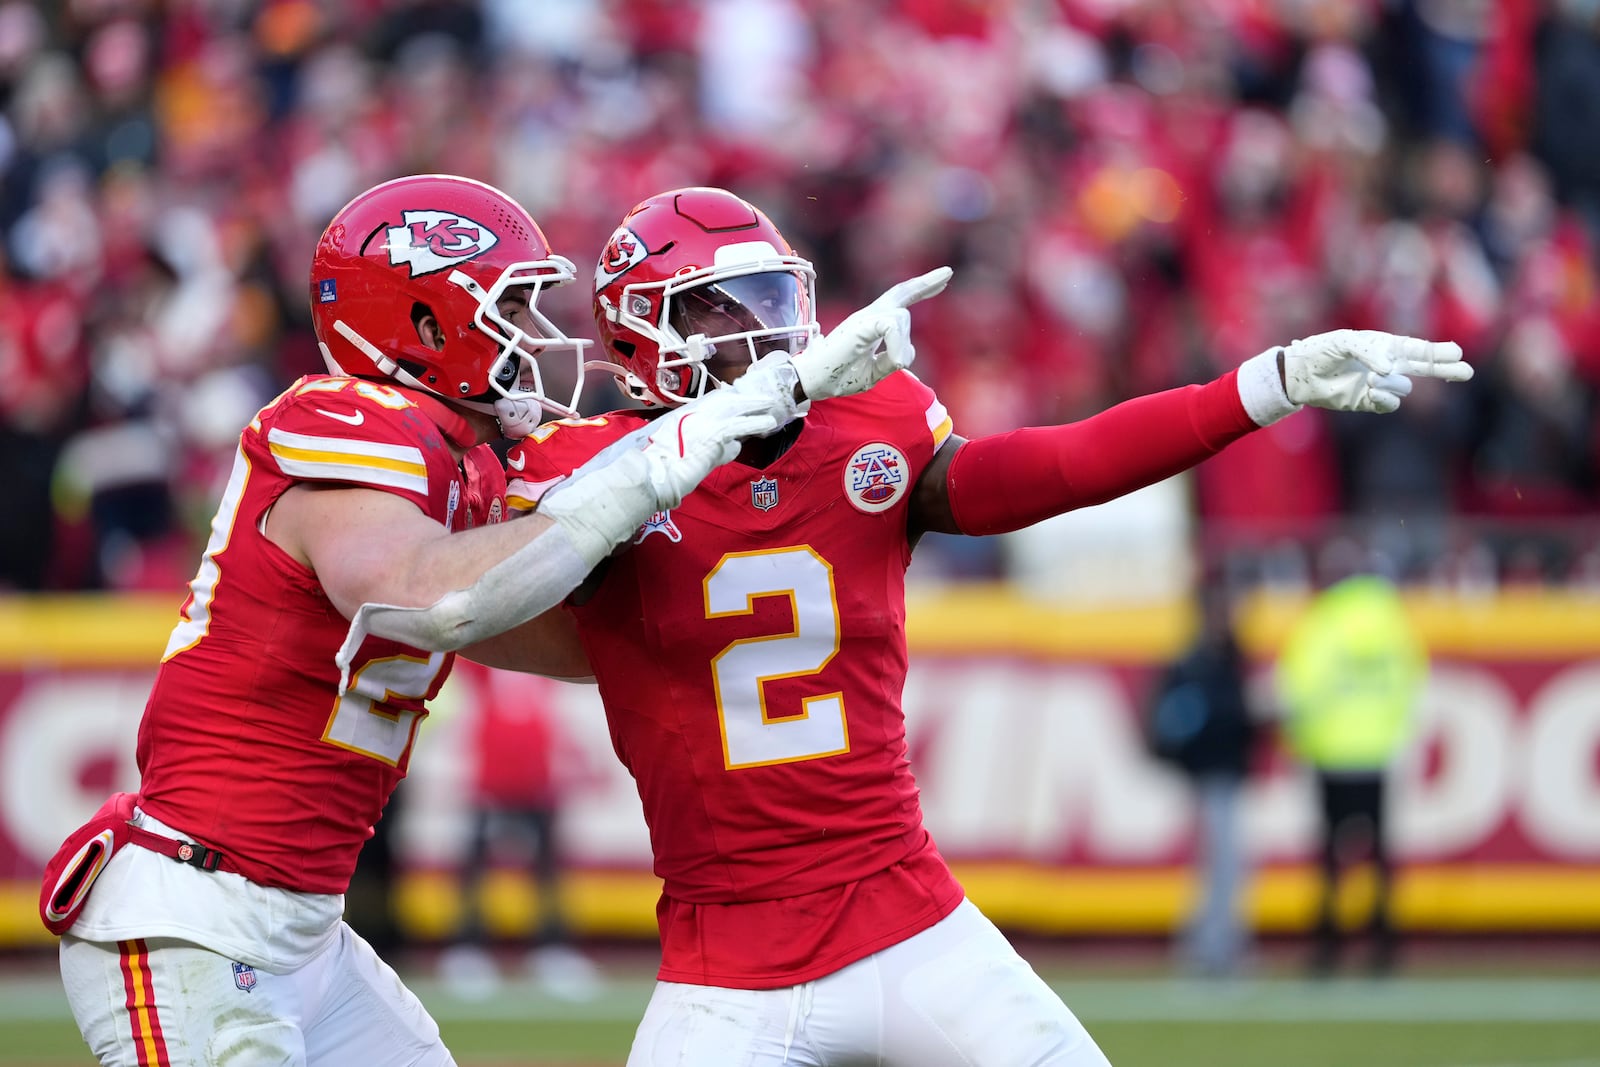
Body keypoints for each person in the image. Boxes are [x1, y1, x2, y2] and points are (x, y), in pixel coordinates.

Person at [490, 186, 1474, 1067]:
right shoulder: (590, 469)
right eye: (721, 306)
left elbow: (1057, 464)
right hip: (724, 963)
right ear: (636, 332)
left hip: (908, 917)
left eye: (771, 297)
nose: (766, 329)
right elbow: (466, 585)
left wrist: (1269, 380)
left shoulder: (867, 420)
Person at [36, 173, 924, 1067]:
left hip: (302, 926)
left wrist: (787, 493)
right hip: (197, 916)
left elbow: (580, 633)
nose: (538, 338)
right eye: (512, 308)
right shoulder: (347, 424)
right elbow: (431, 596)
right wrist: (656, 463)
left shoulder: (462, 470)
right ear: (424, 326)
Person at [1275, 569, 1427, 976]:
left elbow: (1302, 686)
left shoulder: (1323, 620)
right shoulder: (1390, 618)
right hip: (1376, 752)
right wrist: (1391, 733)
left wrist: (1300, 739)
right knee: (1379, 853)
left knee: (1330, 855)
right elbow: (1409, 680)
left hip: (1331, 752)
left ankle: (1329, 942)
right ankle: (1384, 941)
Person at [437, 660, 603, 1001]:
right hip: (492, 780)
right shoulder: (483, 666)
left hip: (537, 779)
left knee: (547, 872)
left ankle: (552, 948)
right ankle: (469, 948)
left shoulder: (543, 667)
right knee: (476, 871)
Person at [1144, 570, 1261, 977]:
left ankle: (1213, 946)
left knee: (1222, 866)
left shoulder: (1223, 658)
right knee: (1222, 866)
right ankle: (1212, 950)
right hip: (1211, 773)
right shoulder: (1199, 662)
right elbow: (1192, 722)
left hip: (1224, 772)